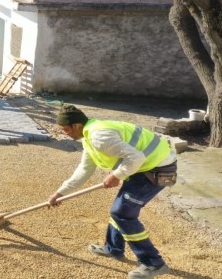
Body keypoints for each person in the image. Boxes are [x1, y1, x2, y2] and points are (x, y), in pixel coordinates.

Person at [48, 105, 177, 279]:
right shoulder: (89, 136)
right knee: (120, 209)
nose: (64, 133)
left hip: (157, 168)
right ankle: (113, 248)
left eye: (65, 129)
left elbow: (136, 157)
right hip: (142, 167)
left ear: (76, 125)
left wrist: (117, 175)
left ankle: (153, 263)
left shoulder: (99, 136)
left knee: (122, 213)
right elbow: (84, 169)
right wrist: (60, 193)